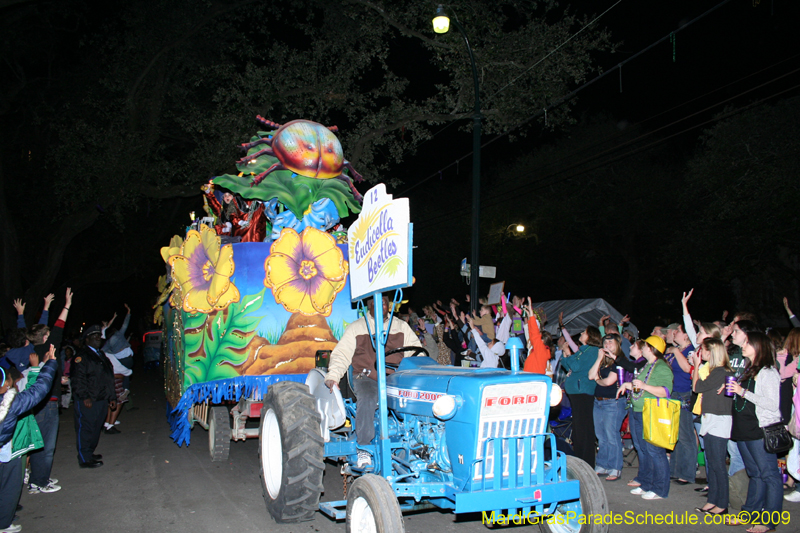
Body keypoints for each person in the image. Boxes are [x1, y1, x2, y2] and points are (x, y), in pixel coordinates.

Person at [324, 296, 421, 468]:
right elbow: (341, 354)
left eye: (384, 302)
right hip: (366, 376)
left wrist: (422, 371)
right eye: (376, 303)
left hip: (394, 377)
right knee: (368, 398)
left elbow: (416, 352)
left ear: (389, 305)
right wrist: (333, 376)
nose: (381, 306)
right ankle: (364, 447)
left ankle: (417, 445)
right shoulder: (357, 328)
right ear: (369, 306)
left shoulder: (401, 327)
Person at [726, 331, 783, 532]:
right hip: (743, 428)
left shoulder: (768, 372)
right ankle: (750, 512)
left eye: (748, 343)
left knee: (769, 475)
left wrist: (742, 392)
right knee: (755, 473)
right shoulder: (749, 369)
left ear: (759, 347)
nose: (744, 345)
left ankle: (769, 521)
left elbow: (772, 404)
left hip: (759, 430)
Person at [0, 345, 57, 533]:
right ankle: (4, 523)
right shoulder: (9, 403)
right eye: (9, 382)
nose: (11, 384)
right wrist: (49, 364)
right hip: (8, 452)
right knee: (9, 487)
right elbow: (36, 390)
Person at [26, 288, 72, 495]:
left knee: (38, 444)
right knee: (46, 447)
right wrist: (66, 305)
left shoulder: (32, 350)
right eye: (48, 334)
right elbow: (58, 328)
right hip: (47, 405)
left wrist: (45, 308)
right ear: (46, 338)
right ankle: (39, 482)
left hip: (36, 404)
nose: (50, 335)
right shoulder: (47, 349)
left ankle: (37, 477)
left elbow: (39, 330)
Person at [617, 335, 674, 500]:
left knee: (655, 451)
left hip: (651, 413)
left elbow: (665, 391)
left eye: (644, 346)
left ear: (650, 348)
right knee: (643, 450)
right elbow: (640, 387)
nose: (641, 348)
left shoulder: (661, 367)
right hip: (638, 411)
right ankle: (647, 483)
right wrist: (628, 385)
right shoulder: (648, 365)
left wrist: (643, 386)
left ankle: (660, 489)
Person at [692, 337, 734, 516]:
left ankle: (722, 504)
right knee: (712, 462)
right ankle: (713, 500)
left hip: (719, 420)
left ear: (712, 352)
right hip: (711, 418)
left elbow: (697, 387)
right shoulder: (715, 370)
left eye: (704, 350)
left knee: (717, 464)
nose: (701, 353)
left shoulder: (720, 371)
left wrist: (696, 365)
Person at [71, 325, 116, 468]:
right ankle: (84, 458)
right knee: (86, 428)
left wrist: (112, 397)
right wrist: (84, 396)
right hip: (88, 399)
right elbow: (78, 379)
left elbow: (108, 378)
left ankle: (89, 452)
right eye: (95, 337)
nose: (98, 339)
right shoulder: (81, 356)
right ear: (87, 339)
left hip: (101, 398)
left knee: (96, 427)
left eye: (99, 336)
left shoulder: (100, 355)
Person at [560, 326, 602, 469]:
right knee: (578, 429)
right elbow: (568, 366)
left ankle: (587, 463)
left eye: (584, 332)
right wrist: (566, 356)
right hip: (576, 394)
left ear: (591, 336)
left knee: (584, 429)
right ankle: (579, 460)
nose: (581, 333)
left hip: (583, 393)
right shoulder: (583, 351)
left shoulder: (592, 351)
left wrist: (568, 353)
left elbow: (576, 367)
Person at [589, 333, 627, 482]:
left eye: (611, 342)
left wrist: (599, 380)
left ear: (618, 344)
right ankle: (602, 464)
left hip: (613, 402)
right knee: (601, 435)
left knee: (612, 435)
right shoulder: (603, 361)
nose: (607, 345)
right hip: (598, 401)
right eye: (605, 342)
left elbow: (609, 382)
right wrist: (599, 358)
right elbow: (591, 375)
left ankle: (615, 467)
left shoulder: (620, 361)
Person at [666, 324, 697, 485]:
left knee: (686, 435)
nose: (674, 334)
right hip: (674, 393)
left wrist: (675, 351)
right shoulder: (674, 350)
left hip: (684, 394)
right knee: (675, 434)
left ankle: (688, 472)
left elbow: (687, 368)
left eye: (678, 332)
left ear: (686, 336)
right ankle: (675, 470)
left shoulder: (690, 350)